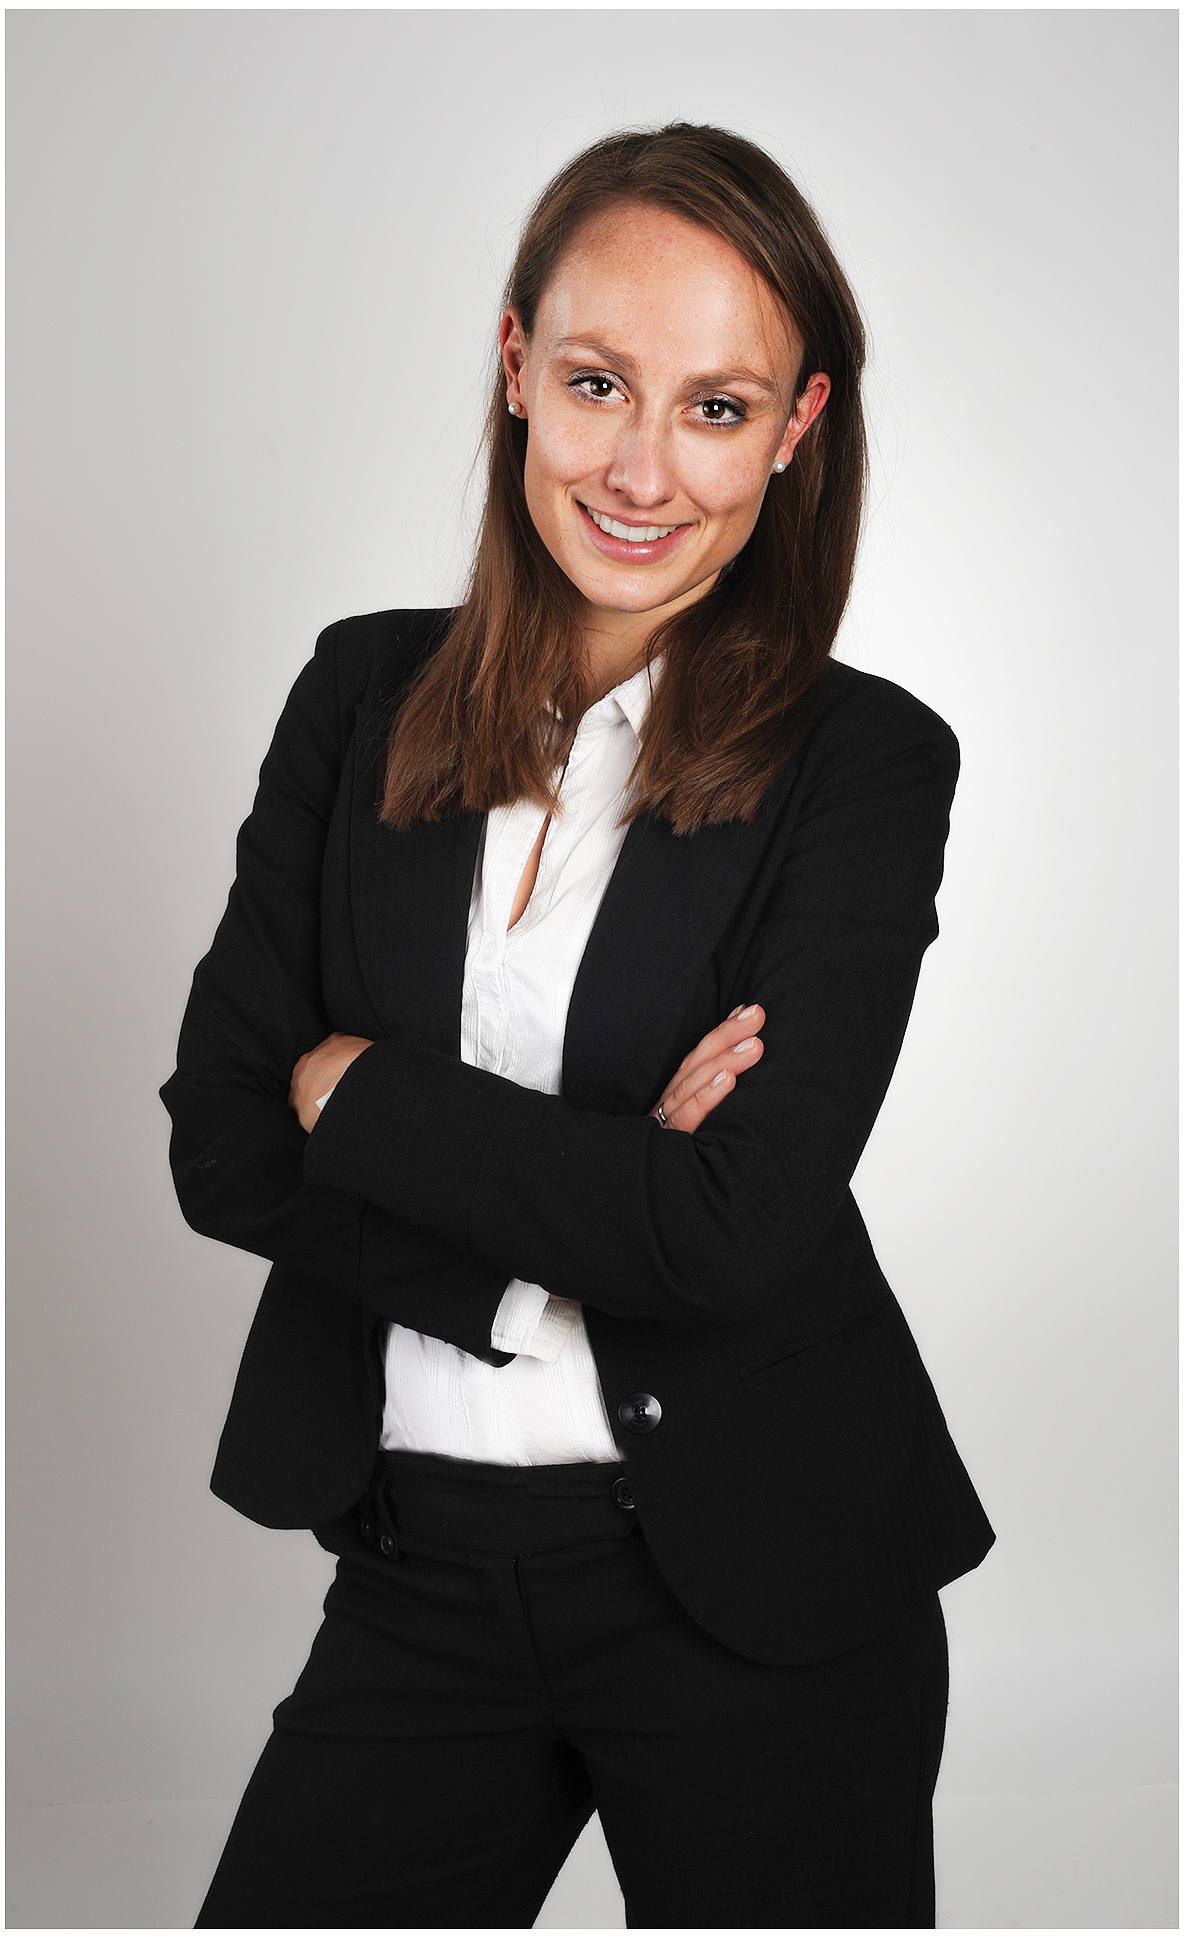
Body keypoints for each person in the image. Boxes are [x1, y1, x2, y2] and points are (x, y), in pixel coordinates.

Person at [161, 121, 994, 1930]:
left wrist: (360, 1088)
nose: (640, 466)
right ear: (516, 363)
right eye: (601, 381)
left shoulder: (861, 767)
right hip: (417, 1570)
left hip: (763, 1583)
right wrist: (577, 1212)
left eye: (714, 407)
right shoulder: (358, 689)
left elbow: (730, 1226)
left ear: (795, 428)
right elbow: (222, 1136)